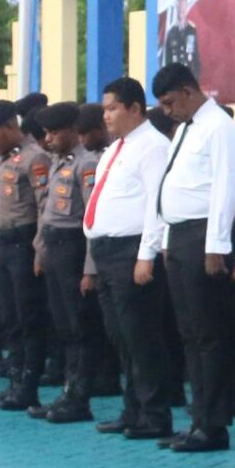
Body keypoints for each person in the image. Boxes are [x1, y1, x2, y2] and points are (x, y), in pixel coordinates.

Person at [142, 63, 235, 442]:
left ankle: (214, 424)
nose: (168, 110)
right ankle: (200, 418)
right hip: (181, 238)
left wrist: (216, 245)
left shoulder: (219, 127)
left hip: (205, 238)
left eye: (171, 102)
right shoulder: (187, 128)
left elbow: (224, 189)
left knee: (209, 334)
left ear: (189, 91)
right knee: (190, 334)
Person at [84, 78, 184, 443]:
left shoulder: (153, 147)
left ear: (135, 109)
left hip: (132, 252)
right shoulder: (115, 148)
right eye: (105, 109)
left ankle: (156, 415)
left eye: (112, 108)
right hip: (107, 251)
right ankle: (133, 410)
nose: (105, 115)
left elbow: (156, 206)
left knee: (142, 337)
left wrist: (146, 255)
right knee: (121, 337)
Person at [0, 100, 49, 411]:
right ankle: (15, 383)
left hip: (24, 243)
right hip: (3, 244)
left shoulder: (34, 159)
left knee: (29, 318)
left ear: (10, 127)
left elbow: (44, 208)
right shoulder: (2, 159)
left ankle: (28, 386)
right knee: (11, 318)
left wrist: (39, 249)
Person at [32, 101, 109, 421]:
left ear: (71, 131)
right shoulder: (56, 163)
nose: (48, 139)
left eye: (53, 133)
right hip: (54, 248)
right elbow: (46, 212)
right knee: (62, 325)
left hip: (74, 249)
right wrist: (40, 251)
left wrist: (90, 268)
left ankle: (79, 398)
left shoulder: (86, 165)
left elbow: (92, 219)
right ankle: (68, 391)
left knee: (79, 327)